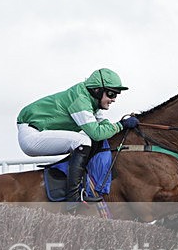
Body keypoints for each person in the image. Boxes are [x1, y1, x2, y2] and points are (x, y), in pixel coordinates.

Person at [16, 68, 139, 208]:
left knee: (86, 140)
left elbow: (102, 123)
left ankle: (82, 186)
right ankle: (73, 198)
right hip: (32, 136)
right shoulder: (80, 101)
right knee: (83, 140)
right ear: (97, 90)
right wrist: (121, 125)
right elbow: (97, 133)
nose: (113, 99)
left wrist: (119, 125)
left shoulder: (91, 101)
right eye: (111, 94)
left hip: (37, 131)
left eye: (116, 94)